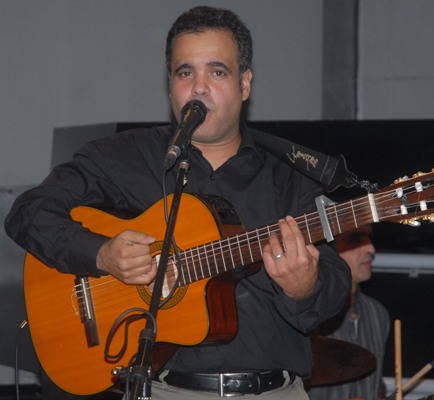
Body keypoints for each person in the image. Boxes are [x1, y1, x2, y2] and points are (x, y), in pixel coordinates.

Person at [4, 6, 351, 400]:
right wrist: (100, 254)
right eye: (185, 73)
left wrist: (304, 287)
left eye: (217, 72)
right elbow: (28, 212)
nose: (198, 88)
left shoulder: (293, 176)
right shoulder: (125, 157)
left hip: (273, 392)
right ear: (170, 84)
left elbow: (333, 291)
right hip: (160, 389)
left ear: (244, 84)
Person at [308, 226, 390, 400]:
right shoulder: (306, 313)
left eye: (369, 238)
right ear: (327, 251)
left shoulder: (377, 313)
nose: (371, 249)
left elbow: (376, 386)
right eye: (355, 240)